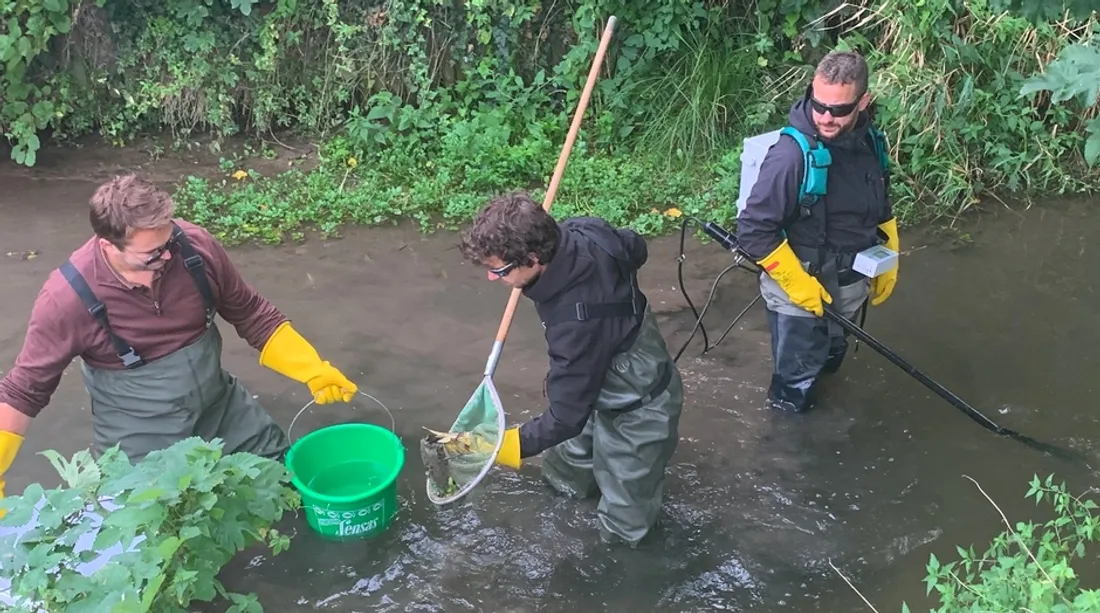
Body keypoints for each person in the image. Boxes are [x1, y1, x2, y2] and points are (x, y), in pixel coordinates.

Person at [0, 174, 358, 511]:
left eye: (169, 241)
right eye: (152, 254)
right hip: (140, 440)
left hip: (221, 411)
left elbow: (252, 313)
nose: (167, 256)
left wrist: (311, 369)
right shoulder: (67, 297)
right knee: (159, 538)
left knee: (280, 488)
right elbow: (24, 390)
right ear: (109, 246)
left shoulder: (195, 248)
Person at [458, 191, 685, 547]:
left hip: (638, 406)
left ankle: (624, 574)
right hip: (599, 374)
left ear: (533, 258)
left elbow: (565, 418)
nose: (492, 279)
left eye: (499, 270)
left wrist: (506, 445)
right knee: (565, 471)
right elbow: (635, 247)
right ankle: (566, 498)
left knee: (626, 525)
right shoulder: (584, 230)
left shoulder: (573, 324)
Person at [735, 50, 900, 413]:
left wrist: (891, 251)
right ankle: (788, 456)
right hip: (801, 297)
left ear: (863, 101)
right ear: (812, 90)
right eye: (819, 104)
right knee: (793, 393)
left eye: (839, 109)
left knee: (831, 364)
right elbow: (752, 230)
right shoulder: (791, 157)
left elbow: (880, 200)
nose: (825, 117)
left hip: (849, 285)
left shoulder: (871, 141)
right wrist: (797, 284)